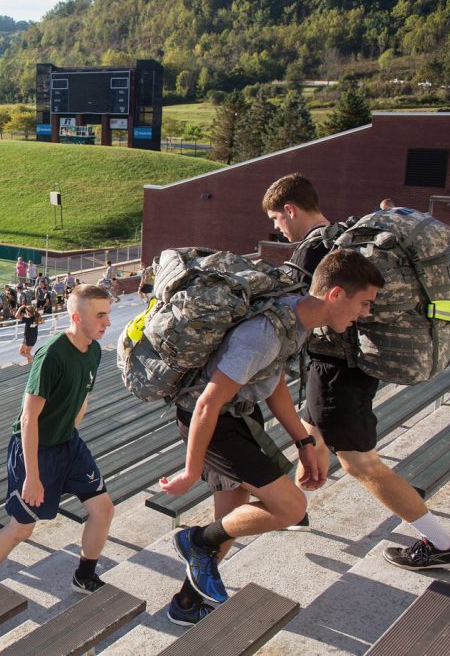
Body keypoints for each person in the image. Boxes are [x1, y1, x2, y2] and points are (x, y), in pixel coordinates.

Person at [159, 250, 382, 623]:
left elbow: (272, 379)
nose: (365, 313)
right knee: (290, 508)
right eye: (364, 303)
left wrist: (304, 442)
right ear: (336, 294)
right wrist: (189, 469)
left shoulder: (294, 319)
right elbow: (205, 405)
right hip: (214, 423)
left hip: (239, 416)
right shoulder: (263, 332)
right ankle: (194, 540)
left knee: (231, 518)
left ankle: (185, 603)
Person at [265, 173, 450, 569]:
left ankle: (440, 543)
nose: (276, 229)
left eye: (276, 220)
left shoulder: (311, 255)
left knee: (358, 462)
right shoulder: (346, 236)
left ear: (290, 210)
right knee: (311, 428)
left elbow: (294, 318)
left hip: (338, 368)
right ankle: (293, 508)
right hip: (353, 363)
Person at [0, 285, 114, 597]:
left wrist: (70, 430)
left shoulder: (96, 349)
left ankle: (84, 576)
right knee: (22, 527)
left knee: (103, 508)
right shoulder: (52, 355)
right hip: (34, 449)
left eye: (108, 314)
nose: (107, 322)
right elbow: (28, 418)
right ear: (76, 317)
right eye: (100, 315)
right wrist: (32, 476)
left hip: (68, 444)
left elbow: (82, 397)